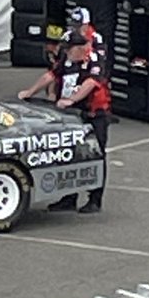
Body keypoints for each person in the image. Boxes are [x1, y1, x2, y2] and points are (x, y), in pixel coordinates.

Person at [17, 29, 111, 214]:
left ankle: (95, 198)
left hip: (93, 115)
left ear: (81, 47)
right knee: (70, 154)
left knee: (95, 155)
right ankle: (69, 197)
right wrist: (30, 92)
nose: (67, 53)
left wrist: (72, 99)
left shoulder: (94, 59)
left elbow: (91, 83)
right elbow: (51, 76)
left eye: (70, 49)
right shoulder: (66, 60)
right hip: (71, 116)